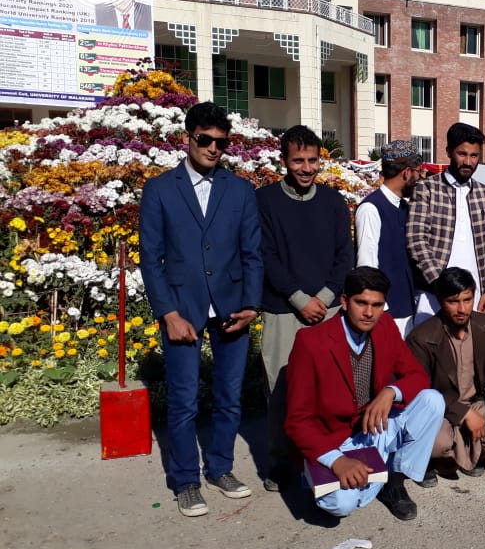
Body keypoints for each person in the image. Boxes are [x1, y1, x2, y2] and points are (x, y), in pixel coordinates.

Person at [139, 102, 263, 517]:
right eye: (205, 140)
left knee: (229, 397)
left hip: (232, 308)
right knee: (183, 400)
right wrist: (168, 313)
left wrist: (251, 304)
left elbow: (252, 253)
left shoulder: (240, 190)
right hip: (183, 307)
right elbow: (150, 257)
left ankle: (221, 469)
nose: (213, 148)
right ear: (188, 138)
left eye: (221, 143)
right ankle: (186, 480)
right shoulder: (160, 189)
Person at [284, 267, 445, 520]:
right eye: (362, 303)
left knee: (432, 401)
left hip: (372, 428)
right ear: (345, 302)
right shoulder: (310, 341)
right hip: (333, 439)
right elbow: (297, 420)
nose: (369, 313)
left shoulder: (386, 327)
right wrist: (336, 461)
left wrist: (391, 391)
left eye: (377, 305)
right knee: (343, 505)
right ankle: (325, 474)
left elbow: (418, 377)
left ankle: (393, 480)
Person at [255, 125, 354, 491]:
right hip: (283, 309)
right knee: (282, 388)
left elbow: (345, 254)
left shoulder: (332, 202)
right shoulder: (264, 201)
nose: (307, 167)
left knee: (328, 388)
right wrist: (299, 299)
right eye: (299, 160)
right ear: (284, 161)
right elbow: (264, 256)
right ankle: (281, 462)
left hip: (327, 310)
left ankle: (325, 455)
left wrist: (325, 299)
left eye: (313, 160)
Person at [407, 268, 485, 483]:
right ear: (440, 301)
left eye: (467, 300)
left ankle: (459, 456)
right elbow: (423, 391)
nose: (462, 309)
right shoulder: (421, 338)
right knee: (437, 444)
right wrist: (464, 414)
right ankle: (442, 459)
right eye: (453, 301)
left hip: (476, 402)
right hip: (439, 411)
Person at [407, 123, 485, 326]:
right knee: (429, 353)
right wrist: (441, 285)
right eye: (462, 154)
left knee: (470, 355)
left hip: (473, 297)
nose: (468, 161)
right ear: (448, 152)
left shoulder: (484, 194)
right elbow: (416, 240)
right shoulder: (427, 188)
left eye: (474, 156)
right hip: (433, 295)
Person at [355, 139, 421, 336]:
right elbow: (367, 266)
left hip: (407, 308)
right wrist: (381, 313)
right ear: (406, 172)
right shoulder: (371, 209)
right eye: (417, 171)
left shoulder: (403, 206)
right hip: (388, 315)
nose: (419, 176)